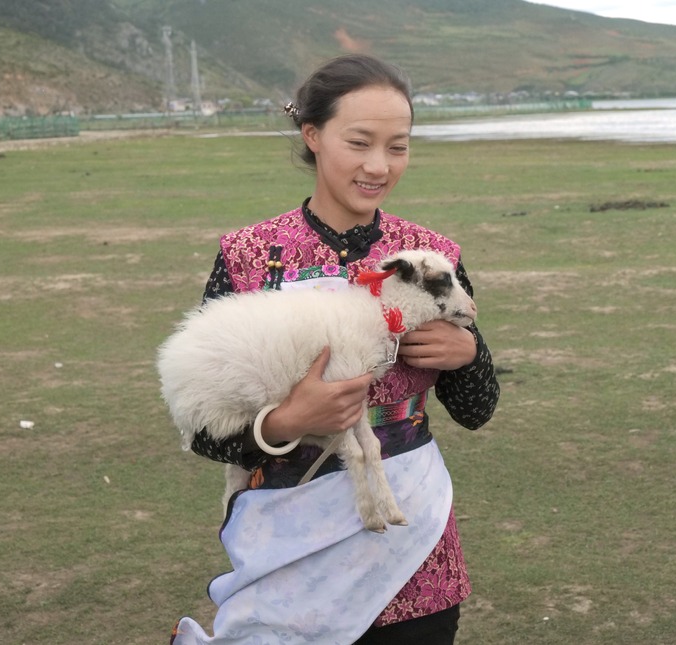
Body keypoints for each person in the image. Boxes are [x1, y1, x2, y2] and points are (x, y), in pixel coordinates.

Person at [170, 54, 500, 645]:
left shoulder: (430, 257)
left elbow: (478, 411)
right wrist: (287, 422)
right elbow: (199, 424)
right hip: (288, 546)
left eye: (397, 146)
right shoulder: (248, 254)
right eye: (360, 142)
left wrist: (468, 356)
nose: (379, 165)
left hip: (413, 558)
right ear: (313, 135)